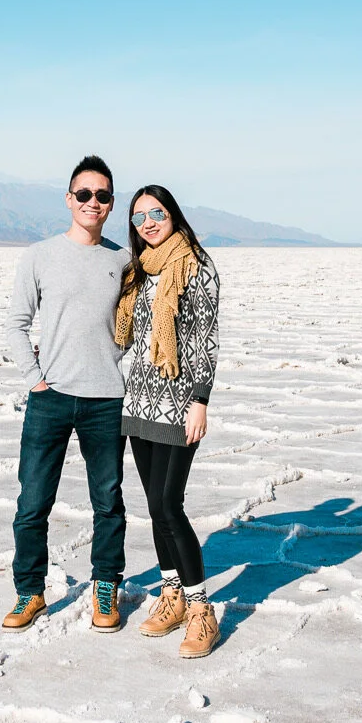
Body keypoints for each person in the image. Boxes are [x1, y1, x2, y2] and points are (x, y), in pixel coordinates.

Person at [1, 155, 130, 632]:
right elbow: (16, 324)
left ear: (111, 204)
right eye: (84, 194)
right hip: (50, 397)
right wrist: (34, 378)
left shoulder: (123, 260)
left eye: (102, 195)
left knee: (108, 503)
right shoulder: (39, 256)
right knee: (33, 504)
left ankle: (105, 587)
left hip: (106, 400)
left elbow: (134, 324)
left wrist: (114, 359)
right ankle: (30, 592)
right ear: (69, 199)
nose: (93, 202)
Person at [115, 184, 221, 658]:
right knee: (155, 508)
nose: (149, 224)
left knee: (169, 503)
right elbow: (126, 335)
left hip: (179, 402)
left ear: (173, 213)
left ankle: (200, 609)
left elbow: (205, 338)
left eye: (156, 213)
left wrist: (200, 399)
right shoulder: (138, 270)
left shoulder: (196, 264)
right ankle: (172, 595)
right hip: (139, 402)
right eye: (139, 218)